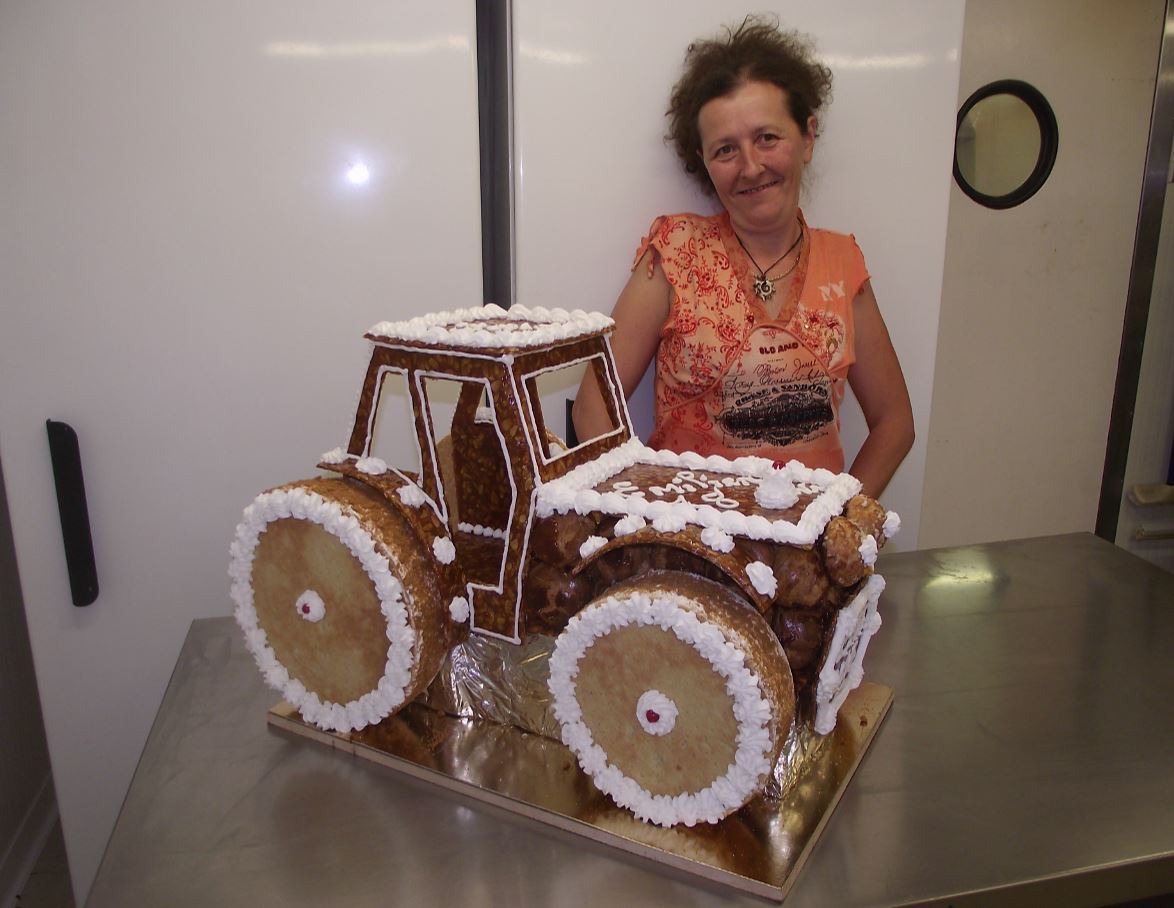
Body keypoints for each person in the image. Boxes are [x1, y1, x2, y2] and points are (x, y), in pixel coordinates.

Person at [572, 17, 913, 499]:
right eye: (726, 149)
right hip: (693, 548)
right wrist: (650, 517)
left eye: (767, 138)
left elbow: (894, 421)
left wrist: (842, 520)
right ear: (704, 161)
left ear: (807, 137)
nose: (751, 166)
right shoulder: (675, 254)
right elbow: (593, 408)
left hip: (804, 553)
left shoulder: (843, 263)